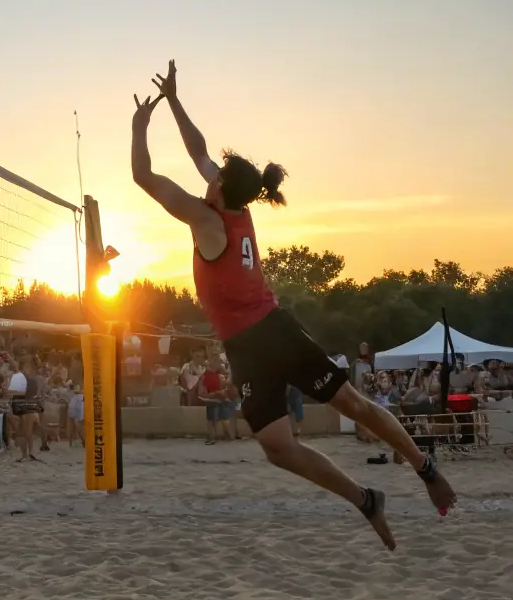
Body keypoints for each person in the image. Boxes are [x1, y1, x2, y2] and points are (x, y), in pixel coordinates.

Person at [130, 59, 456, 550]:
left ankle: (424, 467)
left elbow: (142, 175)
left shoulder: (207, 221)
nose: (207, 175)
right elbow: (198, 150)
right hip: (246, 346)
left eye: (212, 176)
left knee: (352, 403)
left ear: (218, 189)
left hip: (272, 331)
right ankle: (367, 500)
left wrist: (139, 127)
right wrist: (174, 100)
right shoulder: (232, 203)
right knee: (279, 448)